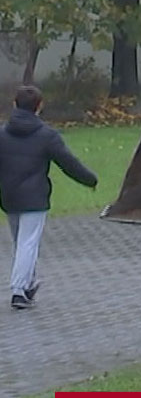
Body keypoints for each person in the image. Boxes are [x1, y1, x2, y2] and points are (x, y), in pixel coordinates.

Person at [0, 85, 98, 310]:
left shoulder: (3, 134)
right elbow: (68, 163)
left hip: (10, 197)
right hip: (35, 198)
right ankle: (18, 290)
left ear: (14, 104)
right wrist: (89, 179)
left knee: (21, 243)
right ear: (39, 107)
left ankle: (29, 283)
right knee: (28, 243)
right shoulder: (46, 135)